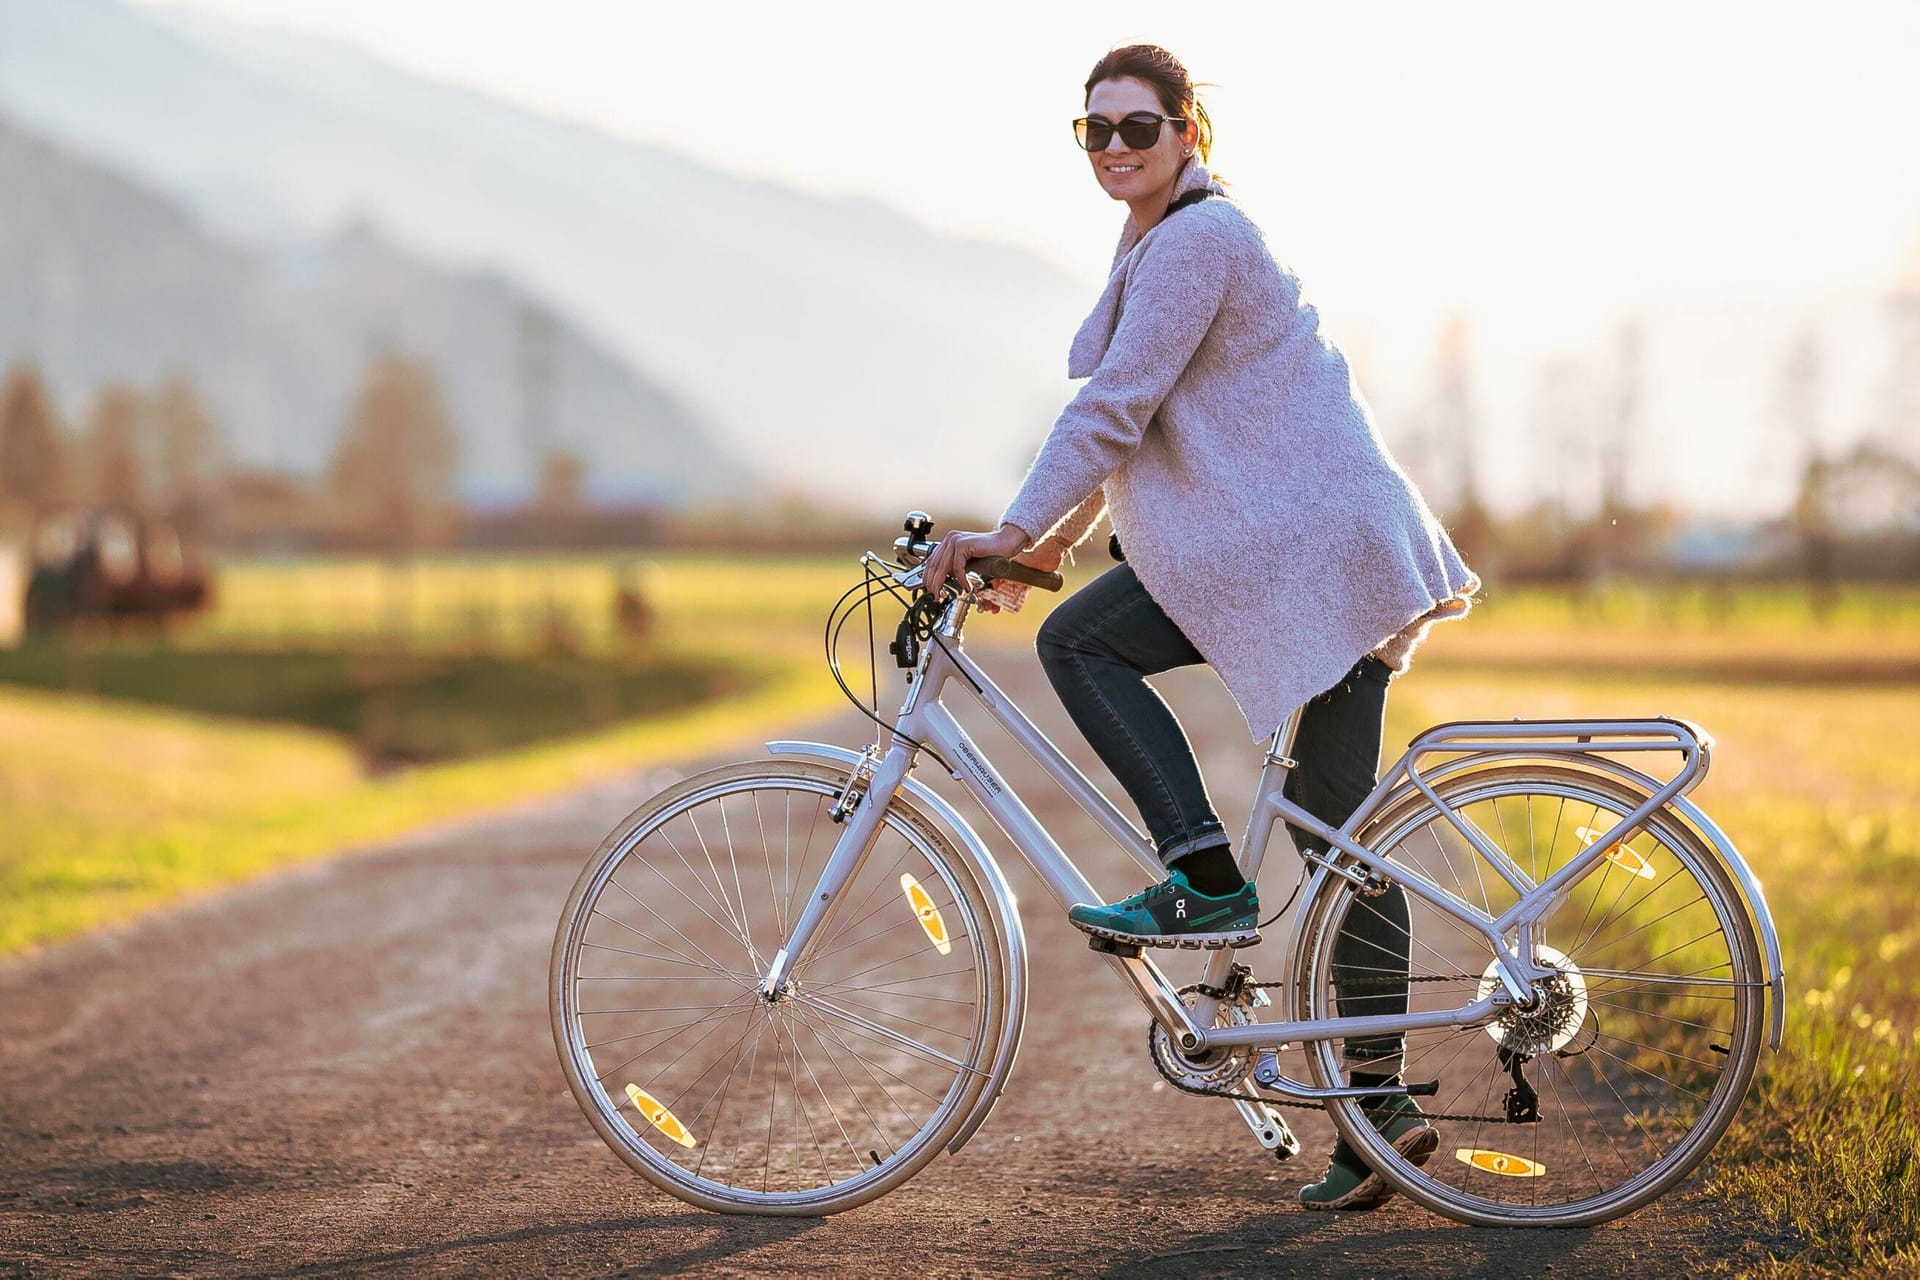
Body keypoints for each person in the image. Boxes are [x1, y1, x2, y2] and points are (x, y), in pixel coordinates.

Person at [918, 44, 1480, 1211]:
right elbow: (1139, 422)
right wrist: (1046, 543)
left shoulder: (1198, 241)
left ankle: (1202, 877)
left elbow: (1113, 410)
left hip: (1307, 552)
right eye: (1096, 133)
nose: (1115, 149)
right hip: (1316, 545)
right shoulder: (1168, 241)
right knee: (1338, 840)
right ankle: (1380, 1116)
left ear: (1189, 134)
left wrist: (1012, 531)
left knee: (1081, 642)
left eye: (1137, 128)